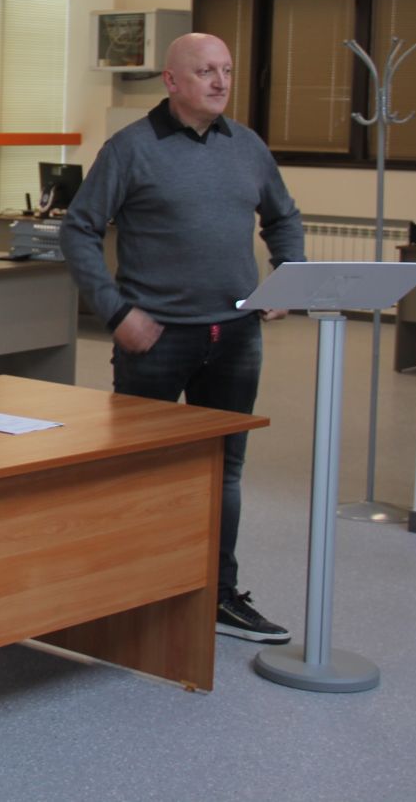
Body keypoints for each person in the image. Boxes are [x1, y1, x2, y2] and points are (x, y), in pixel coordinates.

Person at [60, 32, 304, 646]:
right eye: (205, 71)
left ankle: (218, 593)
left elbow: (283, 217)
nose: (220, 82)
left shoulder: (247, 146)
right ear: (171, 81)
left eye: (227, 70)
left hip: (235, 335)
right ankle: (130, 590)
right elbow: (78, 230)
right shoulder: (130, 149)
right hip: (155, 339)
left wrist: (288, 277)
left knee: (224, 470)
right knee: (141, 472)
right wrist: (116, 311)